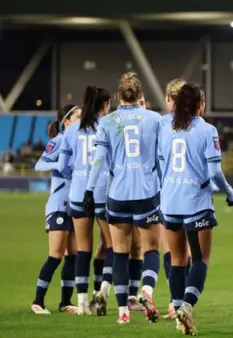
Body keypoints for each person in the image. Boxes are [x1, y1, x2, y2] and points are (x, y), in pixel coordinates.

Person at [157, 82, 233, 335]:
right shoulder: (207, 130)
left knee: (178, 259)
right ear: (200, 104)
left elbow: (160, 163)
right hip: (196, 202)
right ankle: (187, 306)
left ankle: (178, 308)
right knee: (200, 258)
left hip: (169, 201)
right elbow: (214, 170)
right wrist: (229, 192)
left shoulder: (164, 126)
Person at [83, 72, 163, 324]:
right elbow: (162, 158)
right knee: (150, 248)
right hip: (146, 193)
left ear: (118, 97)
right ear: (140, 96)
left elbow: (98, 162)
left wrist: (88, 190)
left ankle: (122, 313)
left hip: (117, 194)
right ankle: (146, 290)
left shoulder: (107, 122)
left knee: (118, 252)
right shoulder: (154, 119)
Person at [58, 87, 112, 315]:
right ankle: (102, 293)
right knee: (113, 246)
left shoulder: (71, 131)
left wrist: (77, 174)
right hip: (101, 193)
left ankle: (81, 304)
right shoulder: (107, 127)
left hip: (78, 194)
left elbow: (62, 167)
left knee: (83, 249)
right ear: (105, 105)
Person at [31, 104, 82, 315]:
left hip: (74, 204)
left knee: (74, 254)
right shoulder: (59, 140)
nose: (82, 120)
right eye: (78, 117)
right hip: (59, 203)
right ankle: (38, 301)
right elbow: (39, 165)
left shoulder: (81, 143)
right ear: (67, 122)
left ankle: (65, 302)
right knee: (56, 254)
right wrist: (58, 165)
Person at [160, 78, 191, 320]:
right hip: (191, 195)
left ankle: (174, 301)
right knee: (186, 253)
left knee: (169, 249)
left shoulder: (161, 124)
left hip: (165, 193)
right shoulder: (199, 124)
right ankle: (179, 303)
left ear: (170, 99)